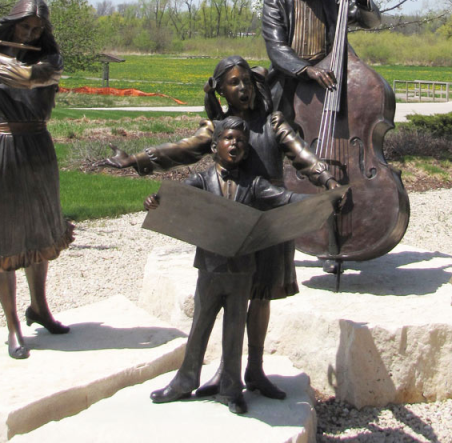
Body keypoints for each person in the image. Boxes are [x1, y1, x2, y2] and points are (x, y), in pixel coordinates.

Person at [96, 55, 339, 397]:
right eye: (233, 83)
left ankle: (253, 370)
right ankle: (226, 374)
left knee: (261, 296)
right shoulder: (219, 128)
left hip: (269, 218)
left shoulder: (273, 121)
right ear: (222, 91)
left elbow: (302, 154)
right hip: (231, 218)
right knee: (229, 295)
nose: (243, 88)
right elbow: (178, 150)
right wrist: (136, 159)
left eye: (246, 81)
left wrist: (328, 181)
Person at [147, 116, 310, 414]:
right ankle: (185, 380)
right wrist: (157, 201)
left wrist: (317, 202)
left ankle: (231, 389)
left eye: (241, 142)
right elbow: (177, 198)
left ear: (246, 151)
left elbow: (284, 197)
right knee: (199, 326)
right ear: (214, 146)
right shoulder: (200, 181)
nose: (235, 144)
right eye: (229, 139)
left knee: (234, 330)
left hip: (242, 271)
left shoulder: (256, 184)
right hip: (209, 269)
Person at [0, 0, 74, 359]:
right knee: (6, 237)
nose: (28, 34)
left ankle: (39, 308)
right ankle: (12, 324)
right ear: (10, 24)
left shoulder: (51, 60)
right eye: (23, 26)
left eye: (36, 29)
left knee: (41, 230)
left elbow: (29, 79)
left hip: (38, 147)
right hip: (4, 147)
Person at [261, 0, 381, 122]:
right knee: (282, 134)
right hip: (290, 80)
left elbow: (371, 22)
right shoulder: (275, 2)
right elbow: (276, 48)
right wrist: (307, 69)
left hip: (329, 79)